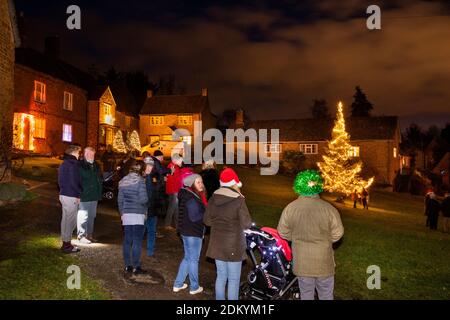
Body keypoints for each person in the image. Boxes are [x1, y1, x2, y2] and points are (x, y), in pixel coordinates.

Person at [277, 170, 344, 300]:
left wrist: (296, 237)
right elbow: (338, 233)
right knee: (326, 295)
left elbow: (282, 231)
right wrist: (326, 239)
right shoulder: (329, 209)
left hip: (303, 263)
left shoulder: (291, 208)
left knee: (306, 294)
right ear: (318, 186)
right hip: (324, 263)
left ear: (299, 185)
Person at [204, 168, 252, 300]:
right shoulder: (238, 200)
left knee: (221, 276)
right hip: (234, 246)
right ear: (235, 183)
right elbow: (247, 223)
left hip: (217, 245)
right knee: (233, 279)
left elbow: (207, 221)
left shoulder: (213, 198)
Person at [173, 173, 207, 295]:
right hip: (193, 232)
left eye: (201, 182)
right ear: (192, 184)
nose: (201, 184)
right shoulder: (191, 198)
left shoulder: (187, 195)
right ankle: (194, 287)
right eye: (198, 182)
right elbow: (194, 217)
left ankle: (178, 284)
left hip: (186, 232)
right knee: (193, 260)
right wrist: (207, 214)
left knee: (188, 258)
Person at [118, 160, 148, 274]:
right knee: (137, 241)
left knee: (127, 240)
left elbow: (120, 200)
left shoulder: (123, 181)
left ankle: (127, 265)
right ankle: (136, 266)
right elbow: (143, 199)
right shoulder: (140, 181)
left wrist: (122, 213)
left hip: (126, 214)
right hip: (138, 214)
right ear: (141, 170)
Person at [58, 144, 82, 253]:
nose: (79, 155)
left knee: (66, 220)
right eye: (78, 152)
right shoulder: (73, 164)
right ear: (73, 152)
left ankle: (66, 242)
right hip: (71, 196)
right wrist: (78, 195)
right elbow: (74, 181)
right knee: (70, 221)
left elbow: (60, 181)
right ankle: (67, 245)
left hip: (63, 194)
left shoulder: (64, 163)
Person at [77, 147, 103, 244]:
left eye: (92, 154)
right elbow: (77, 181)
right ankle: (81, 235)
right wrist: (78, 194)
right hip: (84, 195)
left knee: (92, 216)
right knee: (83, 216)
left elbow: (99, 178)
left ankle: (89, 235)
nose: (90, 156)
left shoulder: (96, 165)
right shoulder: (80, 165)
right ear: (84, 154)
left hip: (94, 195)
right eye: (88, 154)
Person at [165, 154, 184, 229]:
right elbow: (172, 180)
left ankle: (177, 224)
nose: (182, 162)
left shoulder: (174, 166)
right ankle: (167, 224)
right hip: (174, 190)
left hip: (175, 190)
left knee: (176, 208)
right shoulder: (172, 166)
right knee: (172, 208)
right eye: (181, 160)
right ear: (176, 160)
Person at [143, 156, 157, 257]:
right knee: (141, 231)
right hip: (143, 209)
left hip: (152, 208)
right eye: (147, 165)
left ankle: (150, 251)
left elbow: (155, 193)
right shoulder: (139, 177)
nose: (149, 167)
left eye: (151, 165)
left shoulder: (154, 177)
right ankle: (136, 249)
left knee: (152, 231)